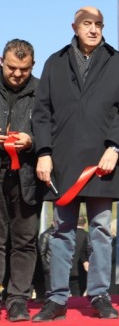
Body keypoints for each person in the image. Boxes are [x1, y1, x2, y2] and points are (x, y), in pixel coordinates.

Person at [31, 6, 119, 321]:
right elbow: (42, 112)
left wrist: (115, 148)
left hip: (103, 162)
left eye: (98, 24)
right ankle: (57, 299)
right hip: (61, 163)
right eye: (87, 24)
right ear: (74, 27)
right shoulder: (55, 62)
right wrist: (43, 152)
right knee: (62, 230)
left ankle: (100, 295)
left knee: (101, 230)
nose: (93, 29)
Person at [0, 39, 42, 322]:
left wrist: (33, 141)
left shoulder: (42, 93)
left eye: (24, 70)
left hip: (27, 177)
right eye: (12, 68)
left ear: (32, 66)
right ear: (1, 61)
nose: (17, 74)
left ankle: (17, 300)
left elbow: (54, 132)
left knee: (24, 241)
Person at [69, 216, 90, 297]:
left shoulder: (68, 236)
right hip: (81, 271)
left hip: (67, 269)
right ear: (84, 224)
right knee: (77, 295)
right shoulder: (87, 235)